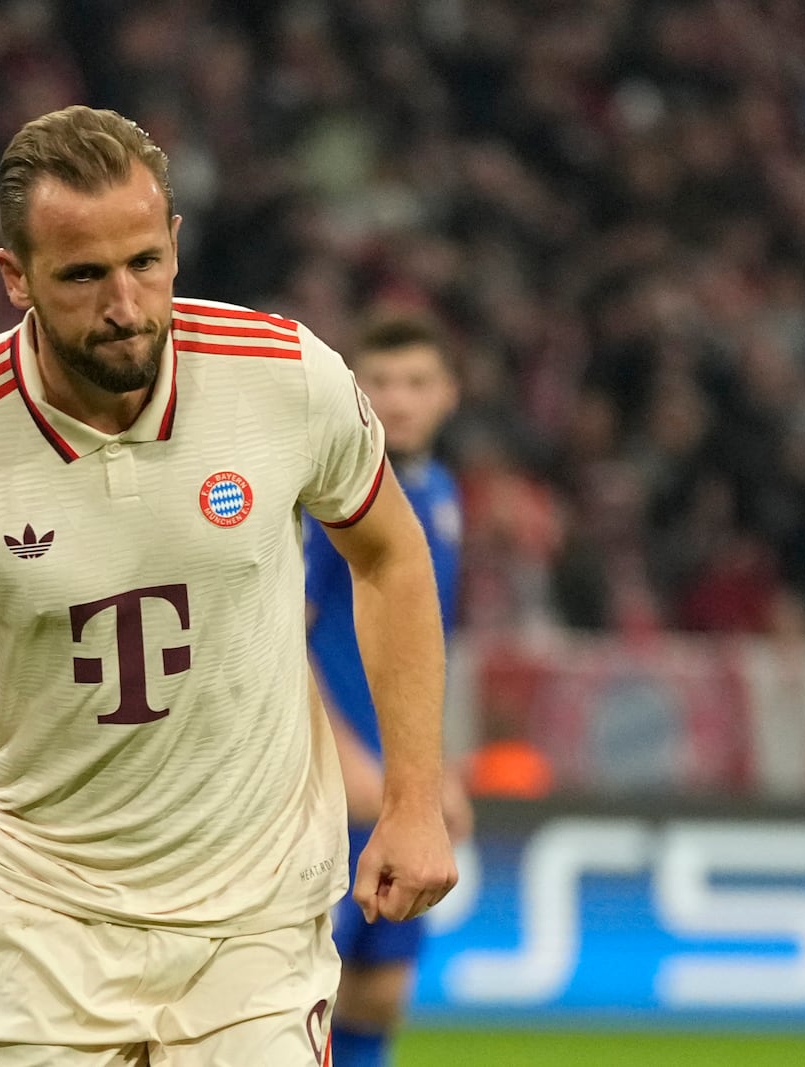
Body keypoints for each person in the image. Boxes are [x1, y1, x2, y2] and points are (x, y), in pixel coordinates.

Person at [0, 105, 457, 1066]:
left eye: (146, 263)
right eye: (83, 275)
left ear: (175, 244)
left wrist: (415, 797)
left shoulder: (283, 376)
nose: (125, 304)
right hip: (29, 924)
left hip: (255, 921)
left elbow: (390, 555)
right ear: (14, 277)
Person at [304, 315, 474, 1067]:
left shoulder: (441, 493)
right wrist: (343, 757)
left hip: (397, 788)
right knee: (297, 993)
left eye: (416, 383)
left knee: (379, 993)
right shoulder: (331, 500)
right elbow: (281, 634)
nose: (398, 400)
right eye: (381, 382)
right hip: (330, 787)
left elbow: (426, 650)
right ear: (355, 391)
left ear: (449, 396)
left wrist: (437, 775)